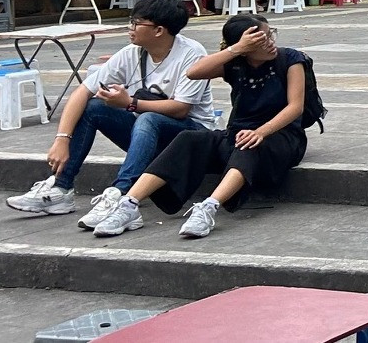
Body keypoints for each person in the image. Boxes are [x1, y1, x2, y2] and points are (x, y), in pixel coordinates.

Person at [89, 15, 313, 240]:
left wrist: (260, 132)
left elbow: (295, 108)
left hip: (281, 136)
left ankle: (208, 207)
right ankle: (129, 204)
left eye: (270, 35)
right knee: (189, 138)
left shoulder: (290, 59)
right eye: (262, 39)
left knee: (247, 144)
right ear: (245, 47)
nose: (270, 42)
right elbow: (194, 72)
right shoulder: (235, 63)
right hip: (236, 133)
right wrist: (236, 50)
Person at [5, 0, 214, 228]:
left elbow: (181, 109)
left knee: (148, 118)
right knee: (94, 107)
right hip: (148, 135)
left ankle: (120, 195)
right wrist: (62, 139)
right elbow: (82, 92)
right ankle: (60, 188)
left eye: (136, 23)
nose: (130, 28)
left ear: (158, 30)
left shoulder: (192, 54)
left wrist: (130, 103)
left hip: (192, 139)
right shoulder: (131, 53)